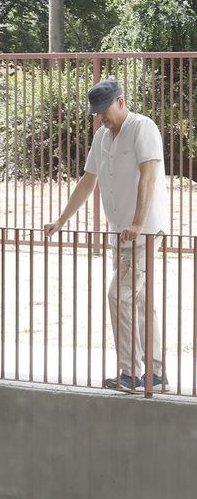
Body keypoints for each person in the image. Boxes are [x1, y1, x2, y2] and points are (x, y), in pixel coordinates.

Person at [43, 78, 169, 392]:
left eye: (105, 110)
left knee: (119, 295)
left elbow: (149, 176)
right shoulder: (102, 137)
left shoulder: (143, 128)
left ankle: (130, 373)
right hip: (121, 233)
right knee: (139, 300)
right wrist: (61, 220)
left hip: (145, 231)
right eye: (98, 113)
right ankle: (155, 374)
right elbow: (88, 182)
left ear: (121, 101)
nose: (102, 117)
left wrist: (139, 223)